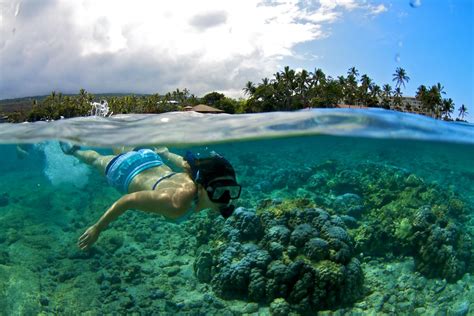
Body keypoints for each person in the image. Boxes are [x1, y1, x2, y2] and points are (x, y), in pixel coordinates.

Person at [60, 143, 241, 250]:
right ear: (202, 187)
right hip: (124, 170)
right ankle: (73, 150)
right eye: (219, 191)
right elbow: (127, 201)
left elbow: (188, 164)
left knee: (121, 147)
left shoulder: (195, 177)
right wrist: (97, 228)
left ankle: (113, 130)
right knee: (95, 160)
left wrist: (166, 153)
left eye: (231, 190)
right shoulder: (175, 204)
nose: (227, 198)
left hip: (151, 158)